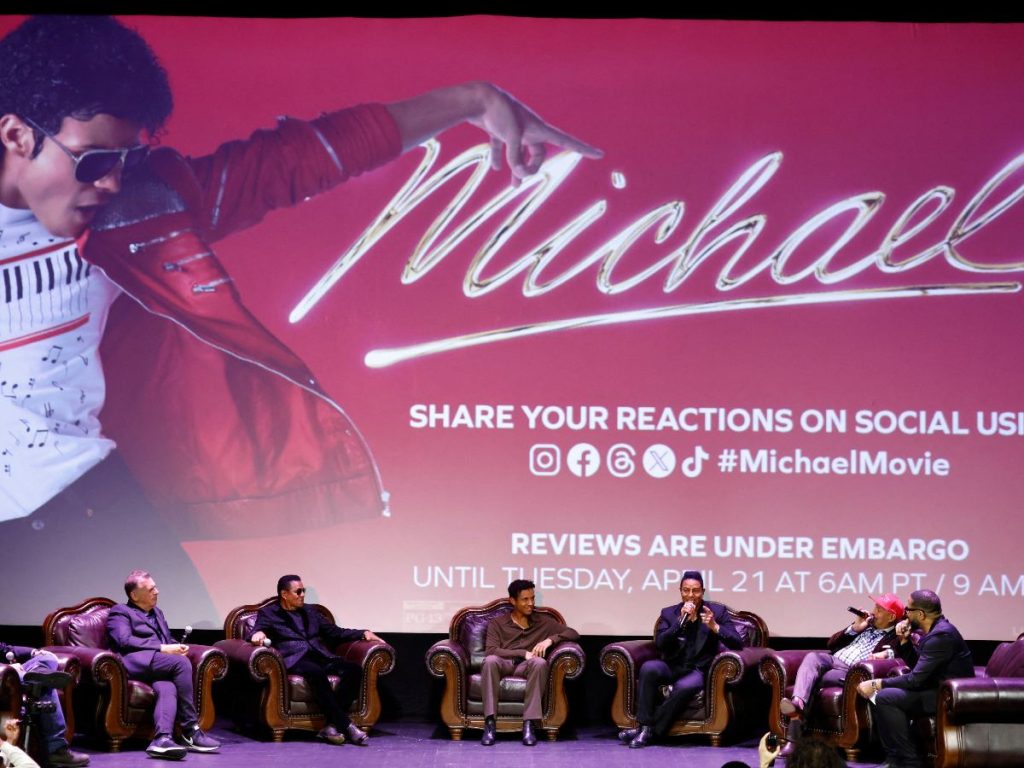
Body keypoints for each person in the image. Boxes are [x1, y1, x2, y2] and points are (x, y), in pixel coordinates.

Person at [0, 15, 601, 619]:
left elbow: (291, 162)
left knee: (201, 691)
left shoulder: (137, 210)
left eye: (123, 160)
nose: (108, 182)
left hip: (88, 505)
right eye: (91, 160)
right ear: (16, 135)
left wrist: (473, 100)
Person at [250, 575, 382, 746]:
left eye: (304, 590)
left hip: (320, 655)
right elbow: (256, 631)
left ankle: (332, 725)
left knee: (354, 670)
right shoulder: (269, 613)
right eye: (298, 591)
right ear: (284, 594)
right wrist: (258, 635)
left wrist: (363, 633)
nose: (302, 594)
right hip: (295, 658)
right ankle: (347, 726)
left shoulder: (311, 611)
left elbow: (335, 632)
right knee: (315, 672)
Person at [618, 570, 744, 748]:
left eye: (696, 591)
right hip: (673, 665)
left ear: (703, 591)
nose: (691, 596)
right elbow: (661, 643)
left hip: (699, 670)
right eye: (686, 590)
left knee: (684, 687)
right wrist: (679, 623)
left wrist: (714, 626)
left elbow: (738, 643)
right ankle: (644, 725)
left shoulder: (716, 612)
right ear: (680, 591)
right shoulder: (670, 613)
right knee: (649, 668)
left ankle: (648, 730)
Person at [106, 570, 220, 760]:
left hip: (156, 664)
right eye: (151, 589)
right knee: (181, 664)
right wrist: (163, 648)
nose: (157, 592)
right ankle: (190, 728)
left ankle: (162, 739)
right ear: (134, 595)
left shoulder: (157, 612)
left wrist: (176, 645)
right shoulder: (120, 612)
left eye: (156, 587)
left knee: (167, 687)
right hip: (134, 662)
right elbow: (123, 641)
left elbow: (165, 639)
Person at [777, 595, 909, 755]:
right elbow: (831, 644)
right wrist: (855, 628)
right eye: (874, 607)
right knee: (813, 656)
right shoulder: (865, 625)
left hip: (853, 673)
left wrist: (885, 654)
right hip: (833, 662)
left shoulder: (896, 635)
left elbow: (900, 652)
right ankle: (798, 703)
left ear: (892, 616)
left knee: (811, 679)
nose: (874, 612)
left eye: (879, 610)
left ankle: (794, 734)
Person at [856, 590, 974, 768]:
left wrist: (876, 684)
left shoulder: (941, 636)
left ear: (920, 614)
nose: (905, 614)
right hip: (936, 690)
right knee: (887, 696)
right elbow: (919, 667)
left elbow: (915, 680)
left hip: (949, 697)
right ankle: (893, 759)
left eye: (908, 610)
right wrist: (904, 642)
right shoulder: (934, 632)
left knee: (886, 697)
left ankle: (909, 761)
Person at [480, 579, 580, 747]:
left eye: (532, 598)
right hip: (503, 664)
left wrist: (550, 640)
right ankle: (490, 723)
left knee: (540, 663)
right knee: (490, 661)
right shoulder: (497, 623)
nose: (531, 603)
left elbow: (573, 633)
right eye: (525, 599)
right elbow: (491, 650)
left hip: (525, 667)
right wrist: (522, 653)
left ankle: (529, 724)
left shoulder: (543, 622)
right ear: (513, 601)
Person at [0, 646, 86, 767]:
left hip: (12, 672)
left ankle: (38, 674)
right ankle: (56, 750)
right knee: (44, 683)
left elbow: (4, 648)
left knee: (48, 658)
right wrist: (8, 667)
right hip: (5, 673)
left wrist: (33, 652)